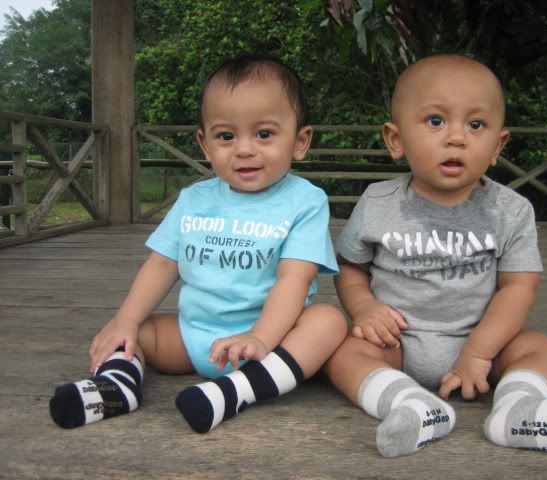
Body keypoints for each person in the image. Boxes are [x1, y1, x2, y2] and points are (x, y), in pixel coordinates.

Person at [324, 54, 547, 457]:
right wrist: (364, 307)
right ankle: (410, 404)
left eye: (476, 125)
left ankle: (517, 408)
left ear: (497, 145)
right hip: (396, 343)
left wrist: (479, 352)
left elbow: (519, 287)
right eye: (435, 121)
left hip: (482, 338)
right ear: (396, 139)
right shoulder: (378, 202)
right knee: (344, 354)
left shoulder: (510, 210)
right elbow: (350, 266)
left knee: (542, 348)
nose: (457, 138)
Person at [49, 55, 347, 433]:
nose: (244, 149)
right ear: (205, 144)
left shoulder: (305, 201)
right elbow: (161, 264)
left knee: (327, 322)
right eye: (226, 136)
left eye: (264, 134)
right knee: (136, 331)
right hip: (193, 339)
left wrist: (259, 337)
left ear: (300, 141)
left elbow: (294, 280)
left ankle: (238, 390)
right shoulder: (194, 199)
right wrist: (125, 319)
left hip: (272, 342)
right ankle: (116, 386)